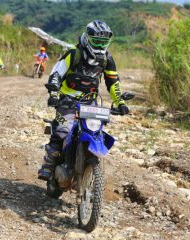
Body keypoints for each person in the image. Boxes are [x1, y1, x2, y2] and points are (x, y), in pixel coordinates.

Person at [38, 20, 130, 181]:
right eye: (97, 41)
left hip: (91, 103)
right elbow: (56, 74)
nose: (100, 46)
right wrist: (53, 94)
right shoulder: (74, 53)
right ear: (87, 38)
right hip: (67, 100)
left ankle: (87, 165)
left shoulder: (107, 58)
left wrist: (120, 102)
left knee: (96, 132)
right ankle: (49, 163)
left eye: (104, 42)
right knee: (62, 130)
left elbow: (113, 82)